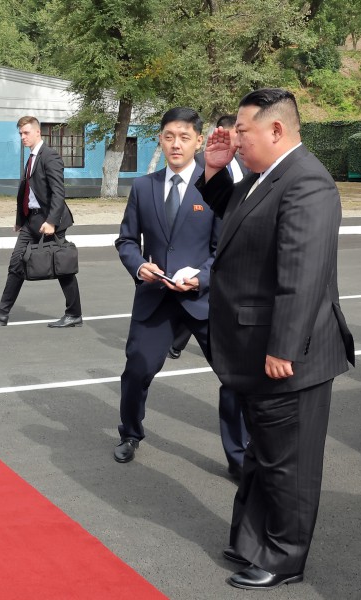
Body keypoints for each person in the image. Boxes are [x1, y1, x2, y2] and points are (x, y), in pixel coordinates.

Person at [200, 88, 355, 590]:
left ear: (276, 130)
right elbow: (236, 211)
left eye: (241, 131)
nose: (235, 138)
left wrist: (282, 348)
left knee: (289, 463)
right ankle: (252, 541)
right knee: (263, 453)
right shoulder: (268, 175)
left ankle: (285, 556)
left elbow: (302, 277)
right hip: (258, 347)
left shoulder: (307, 183)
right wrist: (215, 168)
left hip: (289, 354)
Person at [112, 107, 246, 476]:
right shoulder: (143, 186)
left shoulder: (218, 188)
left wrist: (200, 278)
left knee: (233, 377)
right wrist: (140, 265)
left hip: (203, 300)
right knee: (137, 369)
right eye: (169, 136)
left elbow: (224, 250)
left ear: (199, 141)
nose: (176, 144)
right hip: (155, 298)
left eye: (185, 137)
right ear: (160, 138)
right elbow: (126, 240)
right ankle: (130, 434)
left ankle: (240, 456)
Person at [0, 116, 82, 328]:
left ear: (37, 132)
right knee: (16, 261)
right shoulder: (32, 157)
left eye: (26, 133)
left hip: (50, 221)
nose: (22, 137)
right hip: (31, 221)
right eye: (20, 134)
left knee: (62, 266)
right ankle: (2, 312)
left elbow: (59, 193)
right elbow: (27, 192)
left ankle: (74, 314)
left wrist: (51, 221)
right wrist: (19, 219)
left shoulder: (49, 156)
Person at [173, 114, 248, 359]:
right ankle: (176, 342)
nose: (240, 139)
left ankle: (177, 342)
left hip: (232, 245)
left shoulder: (245, 165)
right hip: (204, 248)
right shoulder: (198, 165)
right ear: (222, 132)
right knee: (197, 300)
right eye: (237, 132)